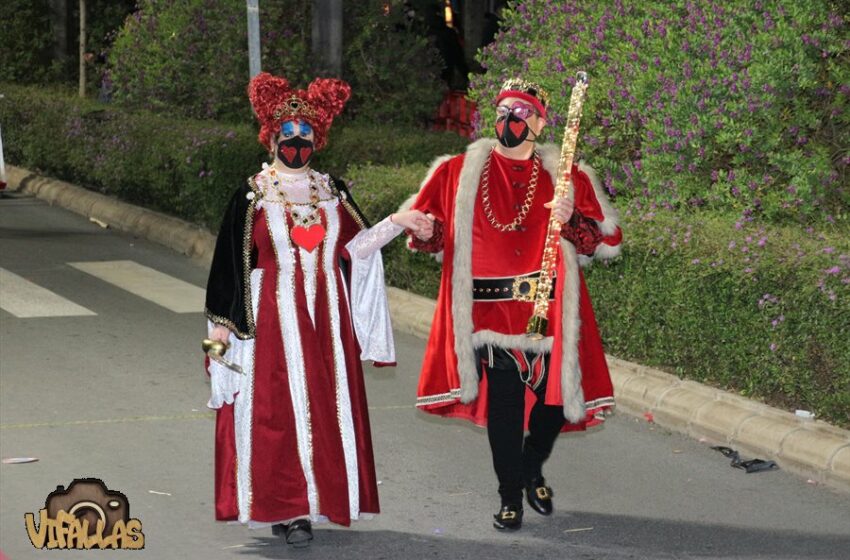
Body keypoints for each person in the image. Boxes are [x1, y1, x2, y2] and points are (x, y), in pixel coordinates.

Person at [203, 71, 431, 547]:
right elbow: (228, 269)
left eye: (305, 134)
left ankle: (315, 503)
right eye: (286, 134)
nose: (296, 141)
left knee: (325, 413)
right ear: (271, 138)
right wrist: (219, 337)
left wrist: (397, 220)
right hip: (268, 322)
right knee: (276, 418)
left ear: (318, 140)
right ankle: (284, 509)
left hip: (326, 320)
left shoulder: (333, 192)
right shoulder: (252, 195)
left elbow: (358, 248)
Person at [405, 78, 623, 530]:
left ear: (540, 123)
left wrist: (573, 219)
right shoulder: (456, 172)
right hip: (487, 313)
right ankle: (510, 496)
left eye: (521, 114)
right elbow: (431, 230)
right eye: (503, 111)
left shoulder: (566, 175)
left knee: (554, 403)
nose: (509, 121)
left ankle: (531, 467)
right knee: (505, 404)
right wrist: (424, 231)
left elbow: (605, 239)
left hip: (547, 307)